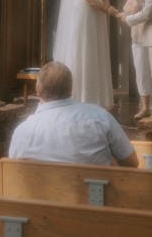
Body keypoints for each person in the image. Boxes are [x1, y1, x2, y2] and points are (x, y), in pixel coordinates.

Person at [8, 61, 138, 167]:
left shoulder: (22, 131)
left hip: (38, 198)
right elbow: (131, 162)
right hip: (94, 197)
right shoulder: (100, 117)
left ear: (37, 90)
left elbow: (16, 172)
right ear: (71, 88)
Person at [53, 0, 118, 108]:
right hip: (85, 15)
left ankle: (97, 97)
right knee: (85, 51)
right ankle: (80, 96)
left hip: (97, 15)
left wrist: (111, 7)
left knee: (96, 52)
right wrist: (110, 11)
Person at [123, 0, 152, 120]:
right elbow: (126, 9)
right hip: (139, 35)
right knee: (141, 71)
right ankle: (145, 107)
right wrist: (137, 3)